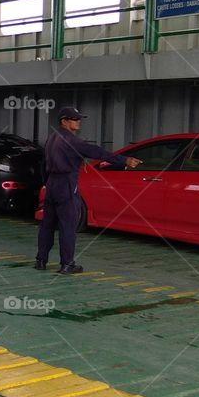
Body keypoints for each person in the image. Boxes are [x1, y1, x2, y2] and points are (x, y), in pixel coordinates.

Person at [36, 106, 142, 274]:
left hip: (51, 185)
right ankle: (67, 264)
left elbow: (43, 164)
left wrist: (47, 183)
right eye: (74, 119)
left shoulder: (51, 139)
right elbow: (97, 152)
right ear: (64, 121)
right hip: (66, 185)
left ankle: (41, 260)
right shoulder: (73, 141)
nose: (78, 122)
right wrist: (124, 160)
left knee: (47, 225)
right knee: (68, 226)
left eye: (79, 119)